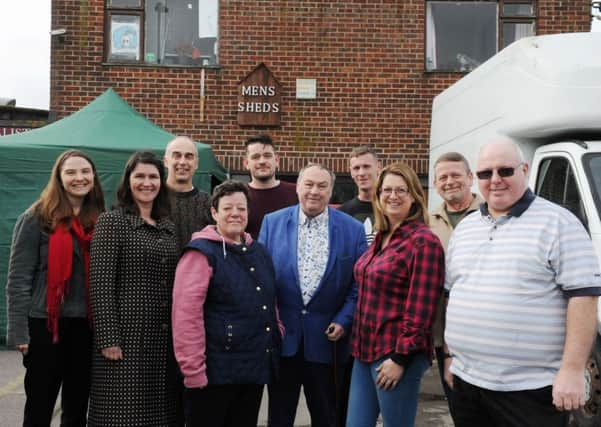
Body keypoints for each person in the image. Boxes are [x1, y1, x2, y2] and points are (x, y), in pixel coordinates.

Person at [444, 140, 601, 427]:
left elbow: (584, 298)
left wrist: (572, 369)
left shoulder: (559, 223)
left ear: (524, 170)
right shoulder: (465, 229)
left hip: (530, 391)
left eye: (505, 170)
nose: (495, 180)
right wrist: (449, 356)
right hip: (468, 383)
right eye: (485, 173)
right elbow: (452, 293)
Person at [259, 163, 367, 427]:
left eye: (322, 186)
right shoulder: (272, 223)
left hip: (328, 342)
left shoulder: (352, 230)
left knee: (328, 416)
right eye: (308, 184)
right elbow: (260, 279)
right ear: (297, 187)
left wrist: (344, 319)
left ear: (331, 191)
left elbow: (360, 283)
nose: (314, 192)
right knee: (279, 417)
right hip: (284, 340)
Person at [6, 149, 105, 427]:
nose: (79, 177)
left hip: (87, 327)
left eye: (85, 171)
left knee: (76, 411)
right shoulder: (36, 217)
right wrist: (19, 332)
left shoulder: (101, 219)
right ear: (59, 178)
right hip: (45, 327)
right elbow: (19, 278)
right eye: (71, 172)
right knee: (39, 407)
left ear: (93, 177)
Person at [172, 180, 282, 427]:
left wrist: (277, 332)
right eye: (228, 208)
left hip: (253, 369)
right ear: (214, 212)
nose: (235, 213)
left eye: (241, 208)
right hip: (213, 374)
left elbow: (270, 298)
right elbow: (185, 316)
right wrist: (192, 370)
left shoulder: (260, 252)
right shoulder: (199, 253)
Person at [346, 163, 445, 427]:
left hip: (395, 354)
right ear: (377, 196)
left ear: (414, 195)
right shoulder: (382, 237)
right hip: (364, 350)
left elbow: (421, 310)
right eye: (387, 190)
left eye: (401, 190)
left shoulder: (423, 242)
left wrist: (400, 359)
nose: (393, 196)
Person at [88, 151, 179, 426]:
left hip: (161, 339)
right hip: (123, 338)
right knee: (120, 414)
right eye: (139, 176)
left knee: (158, 415)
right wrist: (108, 338)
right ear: (127, 181)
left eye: (153, 176)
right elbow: (101, 282)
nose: (146, 182)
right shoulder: (112, 221)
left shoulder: (168, 227)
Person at [428, 152, 483, 414]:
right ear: (436, 184)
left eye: (456, 175)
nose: (449, 181)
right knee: (458, 406)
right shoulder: (427, 223)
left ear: (470, 177)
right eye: (443, 177)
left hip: (484, 330)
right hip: (443, 333)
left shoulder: (490, 213)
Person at [164, 135, 212, 253]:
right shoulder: (153, 199)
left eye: (189, 157)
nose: (182, 162)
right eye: (177, 155)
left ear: (196, 164)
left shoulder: (208, 202)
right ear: (166, 161)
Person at [244, 134, 297, 238]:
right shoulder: (239, 196)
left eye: (267, 156)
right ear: (246, 163)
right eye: (255, 157)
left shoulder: (296, 192)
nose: (262, 161)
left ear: (276, 160)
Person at [339, 145, 380, 244]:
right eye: (356, 168)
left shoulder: (392, 208)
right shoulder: (342, 213)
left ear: (378, 167)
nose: (361, 173)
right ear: (351, 172)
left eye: (366, 166)